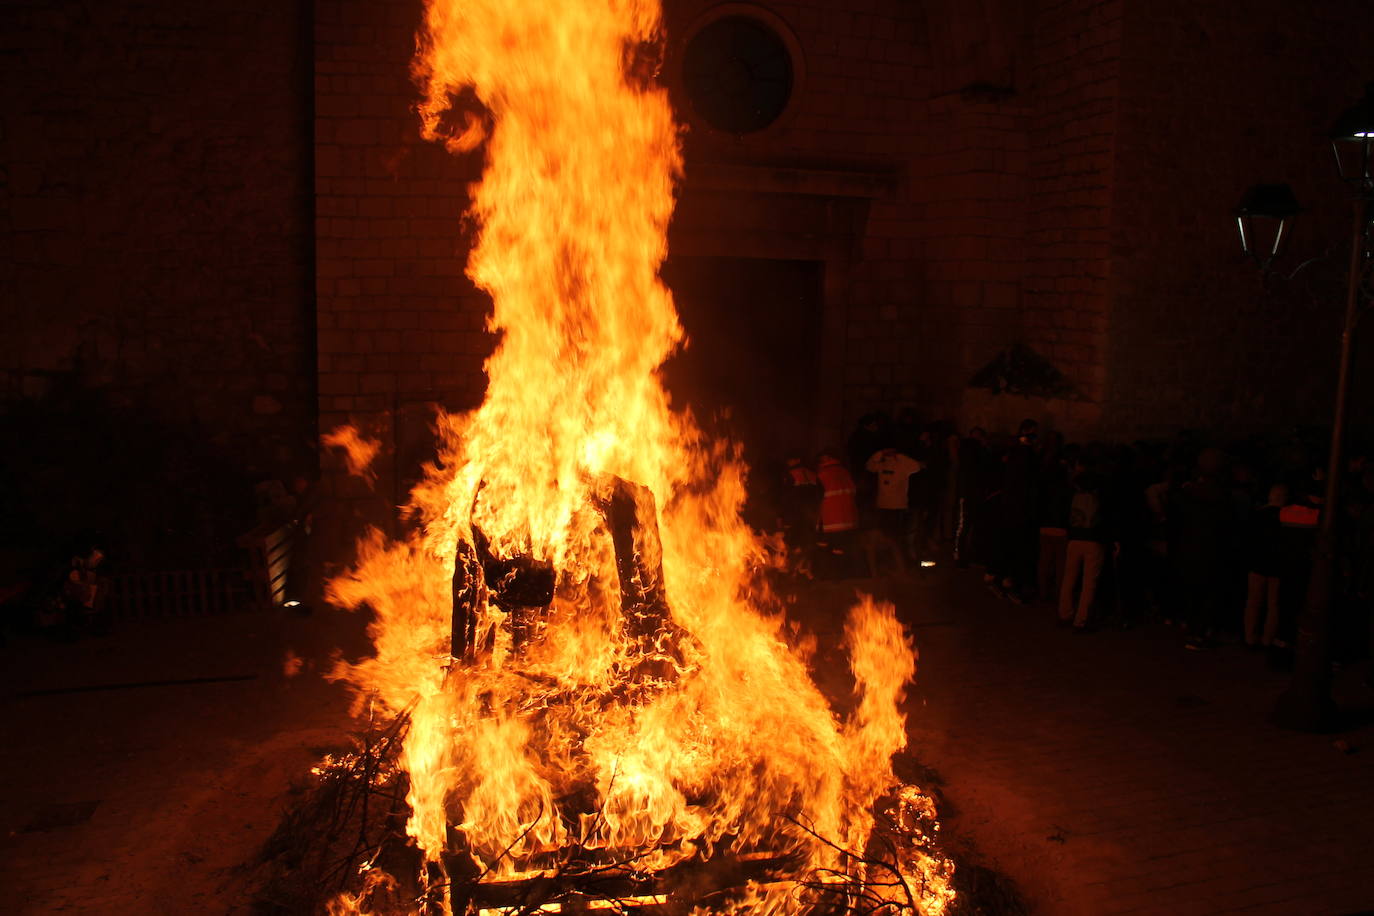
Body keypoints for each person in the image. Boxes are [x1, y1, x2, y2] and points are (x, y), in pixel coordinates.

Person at [1058, 466, 1113, 631]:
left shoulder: (1074, 497)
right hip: (1093, 542)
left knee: (1069, 578)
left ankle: (1064, 614)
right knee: (1089, 582)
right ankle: (1081, 619)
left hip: (1075, 539)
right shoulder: (1099, 500)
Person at [1244, 483, 1287, 648]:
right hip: (1277, 568)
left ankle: (1250, 636)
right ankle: (1267, 639)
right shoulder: (1285, 517)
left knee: (1253, 603)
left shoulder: (1257, 515)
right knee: (1273, 606)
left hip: (1257, 565)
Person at [866, 446, 924, 565]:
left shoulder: (903, 464)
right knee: (885, 536)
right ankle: (888, 560)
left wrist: (900, 456)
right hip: (883, 505)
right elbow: (869, 466)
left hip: (898, 506)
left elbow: (916, 467)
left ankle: (901, 561)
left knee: (897, 536)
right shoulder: (881, 464)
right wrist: (880, 453)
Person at [816, 452, 861, 577]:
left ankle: (832, 576)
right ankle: (848, 575)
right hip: (849, 518)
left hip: (831, 519)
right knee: (844, 548)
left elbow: (817, 497)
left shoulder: (822, 474)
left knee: (830, 549)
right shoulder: (845, 472)